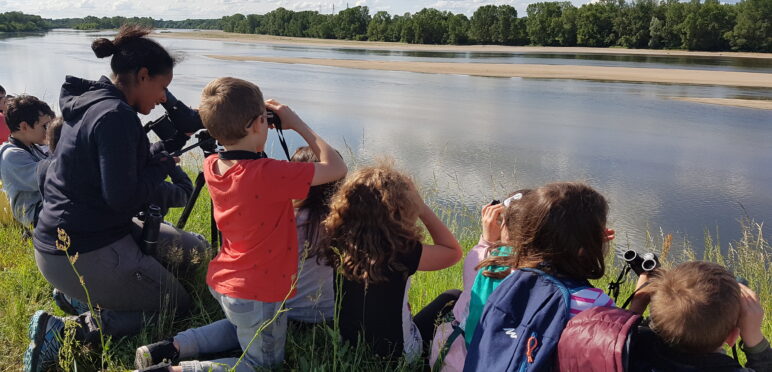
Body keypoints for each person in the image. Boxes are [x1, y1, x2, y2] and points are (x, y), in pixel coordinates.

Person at [24, 25, 209, 372]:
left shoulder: (92, 101)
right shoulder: (114, 115)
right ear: (142, 75)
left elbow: (111, 172)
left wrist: (152, 153)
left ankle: (79, 294)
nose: (161, 99)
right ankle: (67, 331)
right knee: (175, 304)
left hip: (78, 239)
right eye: (162, 88)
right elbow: (123, 199)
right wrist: (159, 167)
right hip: (82, 248)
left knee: (194, 254)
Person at [134, 77, 347, 372]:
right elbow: (336, 168)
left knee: (240, 325)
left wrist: (254, 124)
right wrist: (297, 123)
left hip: (227, 280)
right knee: (260, 365)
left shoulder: (213, 166)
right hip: (258, 288)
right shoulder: (269, 175)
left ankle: (170, 348)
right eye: (262, 118)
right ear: (255, 124)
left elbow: (248, 163)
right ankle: (176, 370)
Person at [316, 163, 463, 362]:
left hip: (349, 346)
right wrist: (422, 208)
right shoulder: (401, 251)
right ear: (401, 210)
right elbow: (453, 252)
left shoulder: (337, 242)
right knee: (453, 296)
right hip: (399, 355)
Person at [628, 261, 771, 371]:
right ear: (732, 337)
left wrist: (635, 309)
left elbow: (622, 338)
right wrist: (755, 341)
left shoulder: (632, 351)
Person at [0, 95, 54, 228]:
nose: (48, 130)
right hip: (35, 217)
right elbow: (49, 177)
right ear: (24, 126)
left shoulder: (31, 146)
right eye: (44, 125)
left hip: (47, 208)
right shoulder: (11, 155)